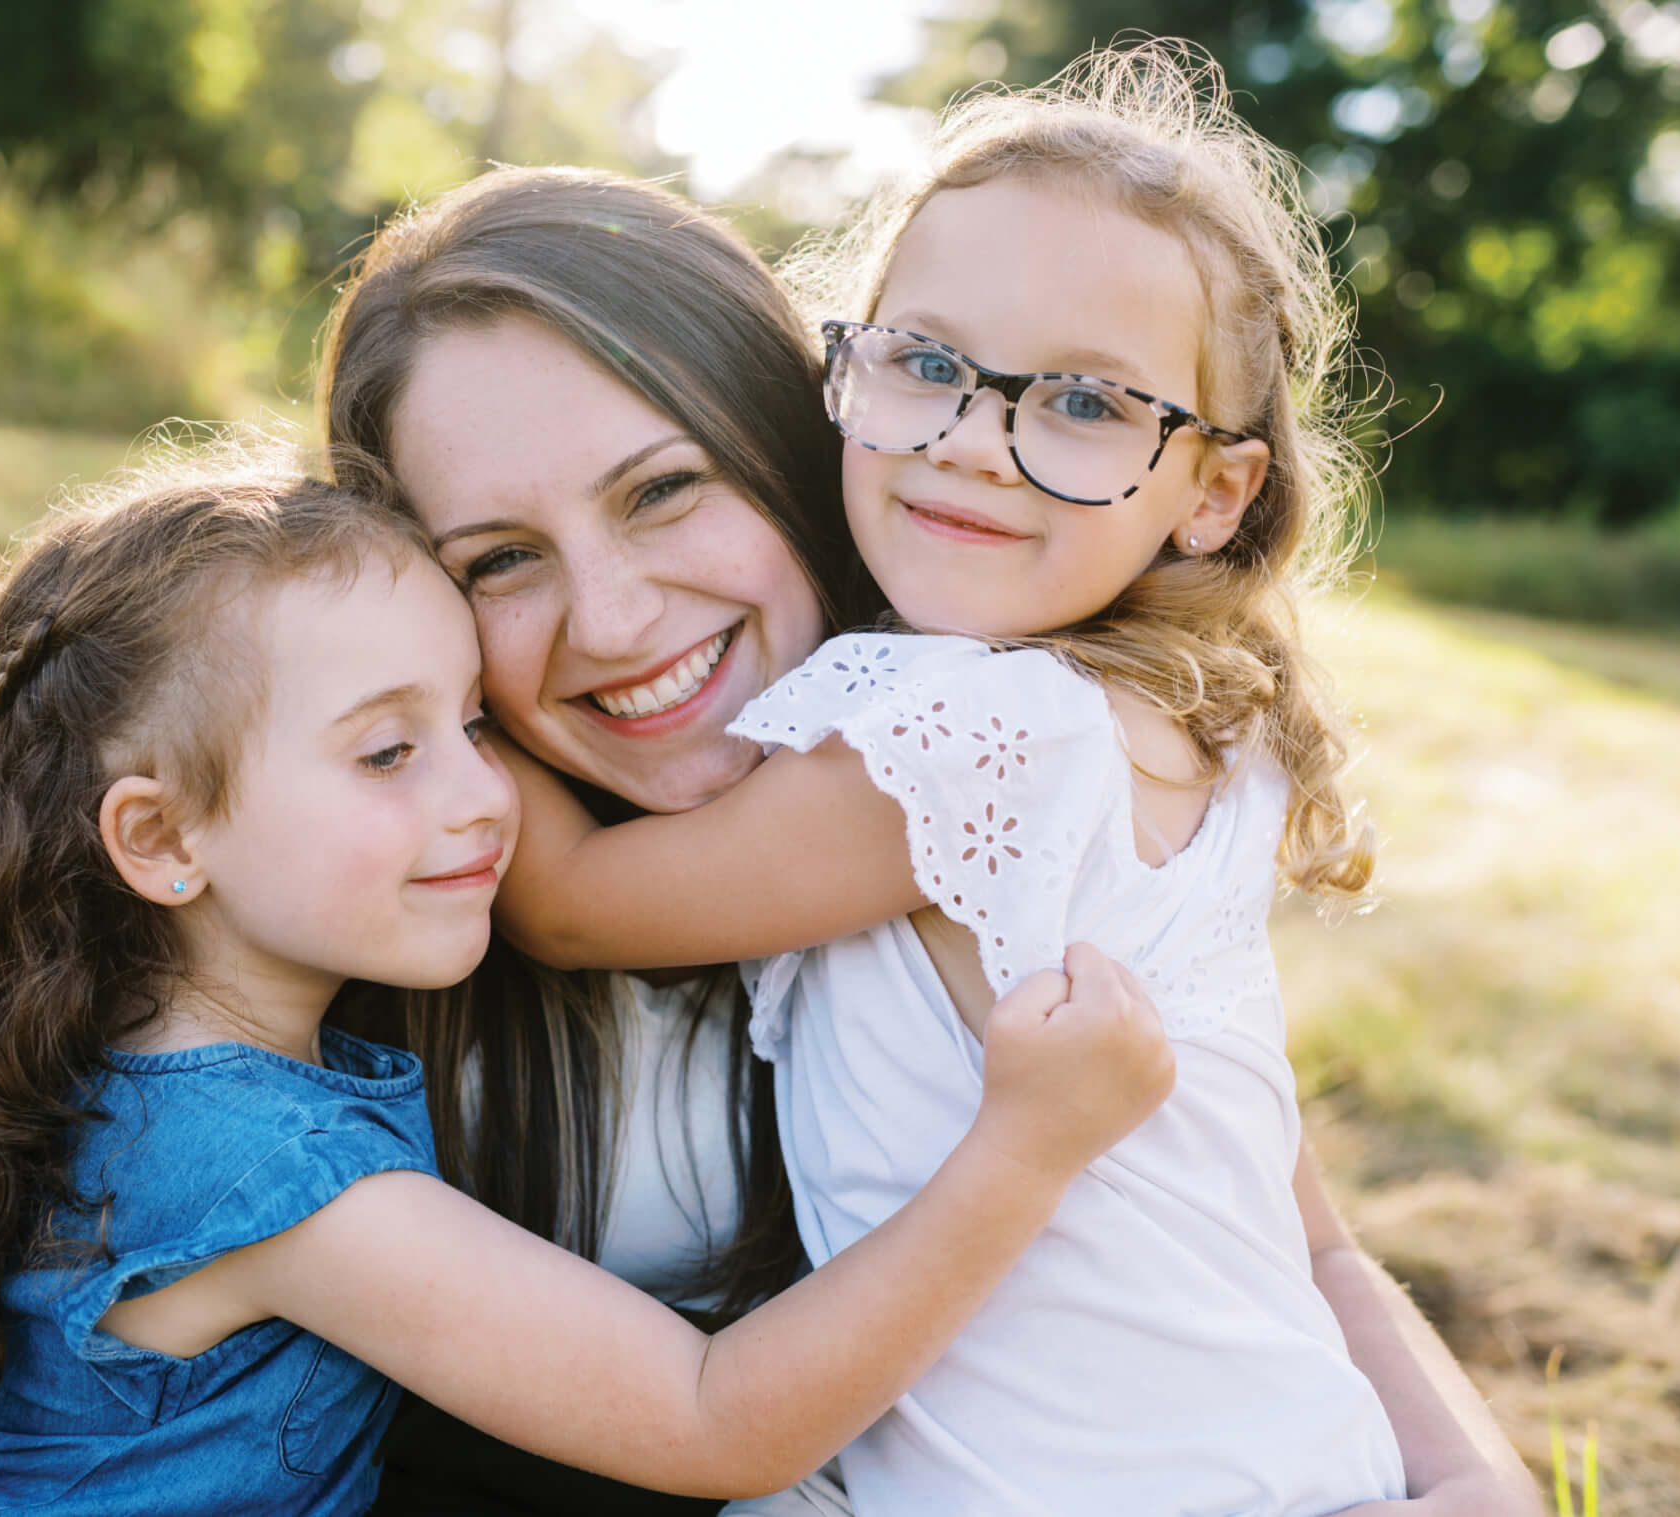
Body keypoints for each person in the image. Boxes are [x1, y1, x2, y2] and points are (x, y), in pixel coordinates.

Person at [0, 154, 1531, 1516]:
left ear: (805, 442)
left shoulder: (979, 812)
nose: (612, 619)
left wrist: (1469, 1486)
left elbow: (1281, 1217)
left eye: (665, 493)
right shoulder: (380, 900)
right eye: (498, 560)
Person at [486, 44, 1528, 1517]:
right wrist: (1466, 1477)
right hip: (1295, 1470)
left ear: (1212, 490)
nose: (976, 445)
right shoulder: (1183, 737)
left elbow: (580, 906)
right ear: (846, 370)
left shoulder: (980, 734)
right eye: (926, 364)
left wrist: (426, 657)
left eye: (1087, 405)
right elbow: (1306, 1231)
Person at [0, 457, 1179, 1516]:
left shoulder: (125, 1070)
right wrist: (1023, 1149)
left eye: (472, 724)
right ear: (161, 838)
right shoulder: (271, 1175)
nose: (484, 795)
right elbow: (715, 1418)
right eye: (388, 752)